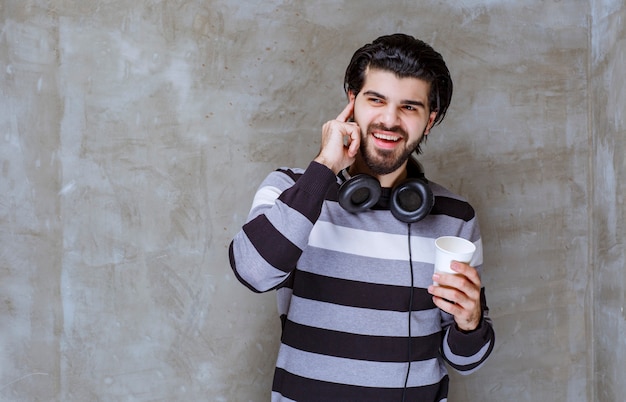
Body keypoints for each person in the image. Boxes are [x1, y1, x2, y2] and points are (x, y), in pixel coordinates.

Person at [229, 33, 495, 402]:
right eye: (376, 100)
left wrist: (470, 325)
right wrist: (323, 166)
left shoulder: (455, 217)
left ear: (429, 121)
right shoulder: (291, 190)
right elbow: (253, 272)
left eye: (409, 107)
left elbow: (466, 361)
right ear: (352, 103)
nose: (389, 120)